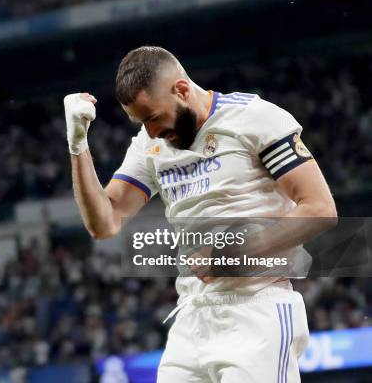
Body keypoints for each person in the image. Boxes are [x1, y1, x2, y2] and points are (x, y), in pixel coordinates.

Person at [64, 46, 337, 382]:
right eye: (140, 122)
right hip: (191, 318)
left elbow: (320, 209)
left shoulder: (254, 118)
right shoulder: (149, 146)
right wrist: (78, 146)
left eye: (152, 117)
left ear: (180, 89)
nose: (150, 131)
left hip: (257, 310)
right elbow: (104, 223)